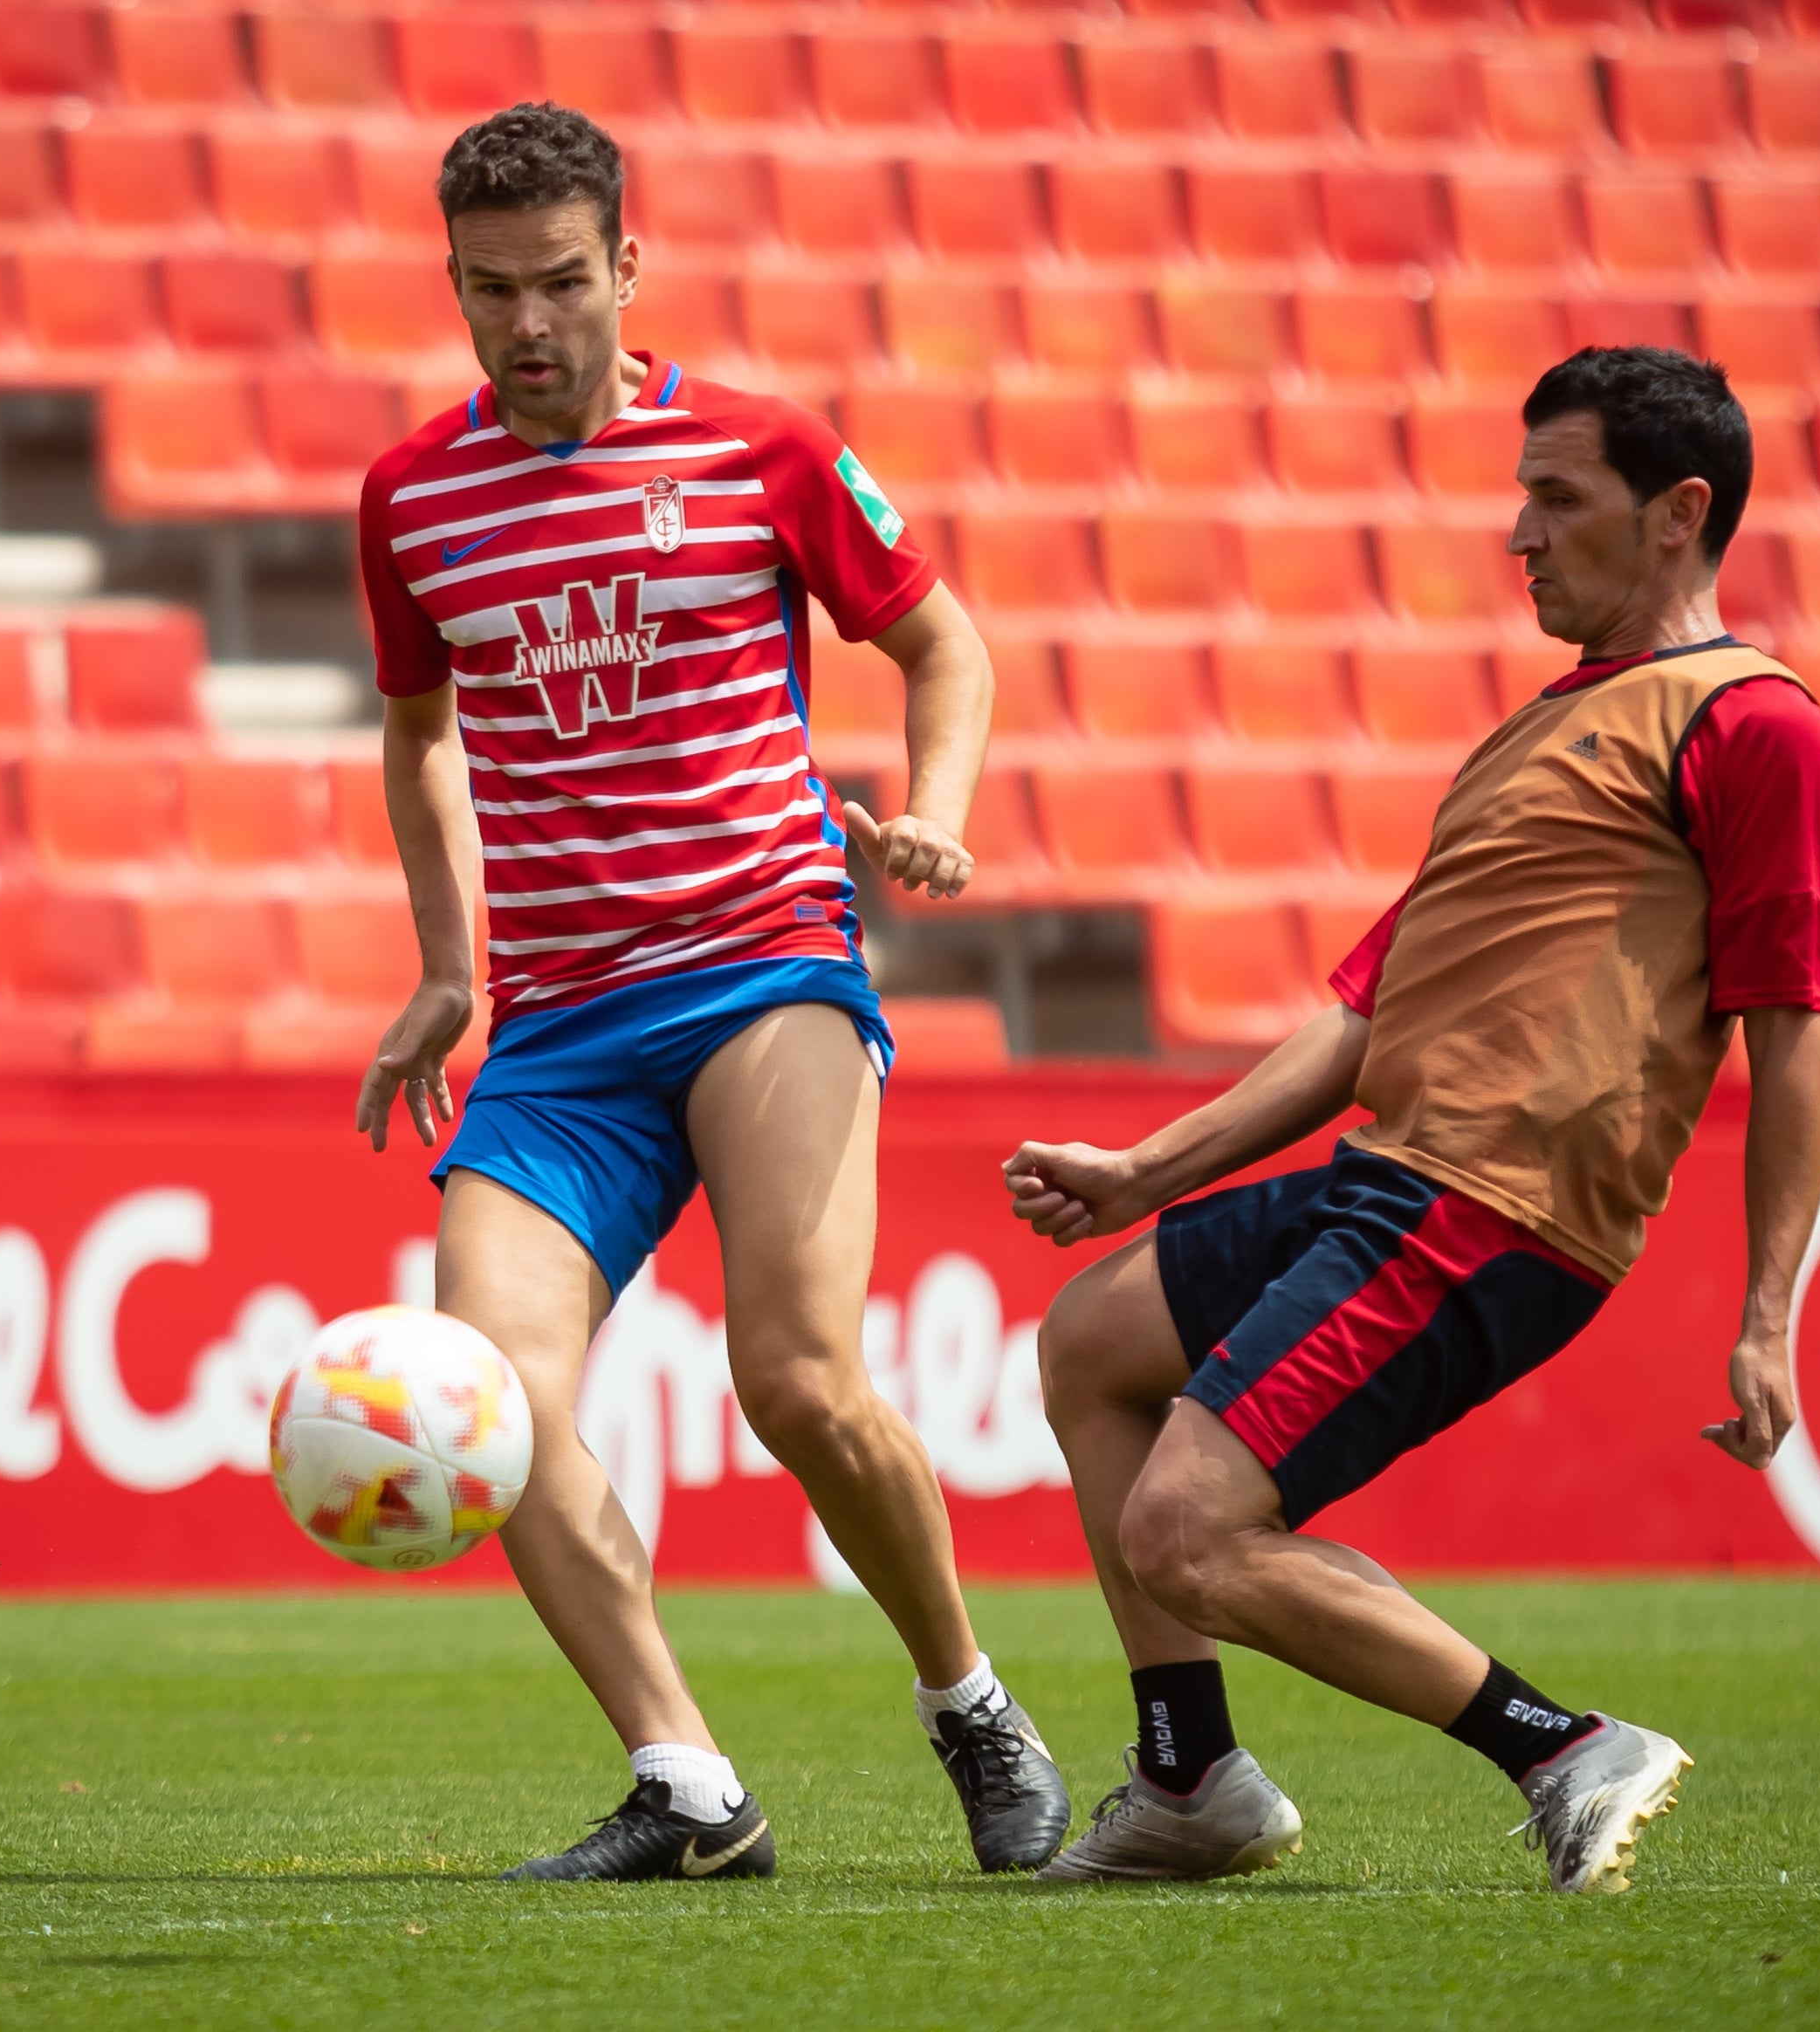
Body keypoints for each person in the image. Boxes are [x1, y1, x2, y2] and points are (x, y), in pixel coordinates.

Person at [1010, 347, 1820, 1892]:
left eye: (1557, 497)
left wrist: (1769, 1312)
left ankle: (1561, 1747)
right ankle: (1192, 1779)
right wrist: (1145, 1173)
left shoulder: (1757, 726)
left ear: (1678, 514)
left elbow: (1792, 1035)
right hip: (1385, 1177)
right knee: (1086, 1348)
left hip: (1495, 1207)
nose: (1519, 534)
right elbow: (1356, 1018)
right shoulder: (1539, 734)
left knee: (1188, 1532)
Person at [355, 103, 1070, 1881]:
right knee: (490, 1403)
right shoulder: (410, 501)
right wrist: (450, 964)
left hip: (763, 965)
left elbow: (940, 638)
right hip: (561, 1031)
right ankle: (686, 1784)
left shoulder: (760, 451)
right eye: (489, 291)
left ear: (629, 267)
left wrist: (938, 814)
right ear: (451, 285)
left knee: (799, 1381)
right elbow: (416, 730)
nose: (529, 327)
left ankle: (966, 1696)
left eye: (563, 284)